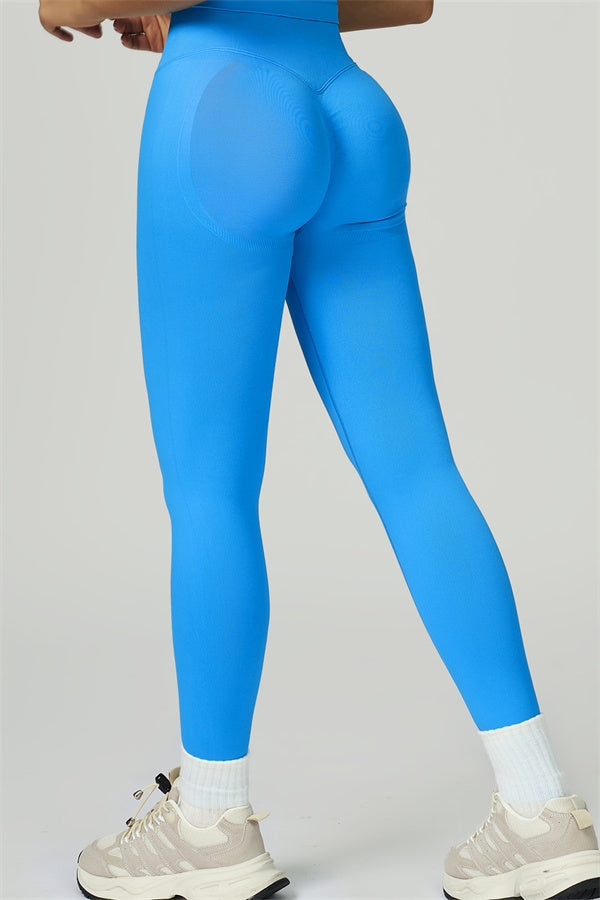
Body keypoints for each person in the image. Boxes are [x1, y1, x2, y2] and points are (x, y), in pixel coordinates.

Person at [38, 2, 600, 899]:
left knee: (210, 493)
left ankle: (210, 822)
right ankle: (542, 809)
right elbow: (409, 0)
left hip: (224, 105)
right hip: (347, 101)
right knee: (419, 470)